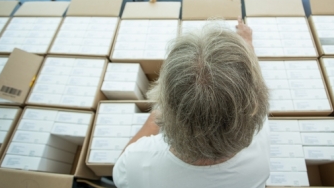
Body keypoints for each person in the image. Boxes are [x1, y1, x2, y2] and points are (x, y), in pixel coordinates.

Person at [113, 17, 270, 188]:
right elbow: (253, 91)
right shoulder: (260, 142)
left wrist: (156, 117)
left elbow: (121, 168)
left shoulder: (137, 163)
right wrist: (247, 45)